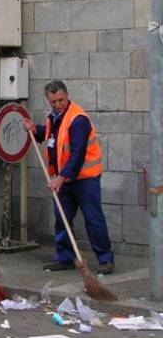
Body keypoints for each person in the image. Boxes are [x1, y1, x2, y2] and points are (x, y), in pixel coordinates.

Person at [23, 80, 115, 275]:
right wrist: (35, 129)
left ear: (67, 95)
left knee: (93, 218)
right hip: (64, 180)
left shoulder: (78, 119)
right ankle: (64, 258)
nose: (58, 104)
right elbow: (53, 137)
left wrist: (61, 178)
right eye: (53, 101)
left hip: (85, 180)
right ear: (49, 101)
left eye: (60, 100)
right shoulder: (54, 117)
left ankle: (105, 259)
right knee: (62, 219)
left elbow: (78, 154)